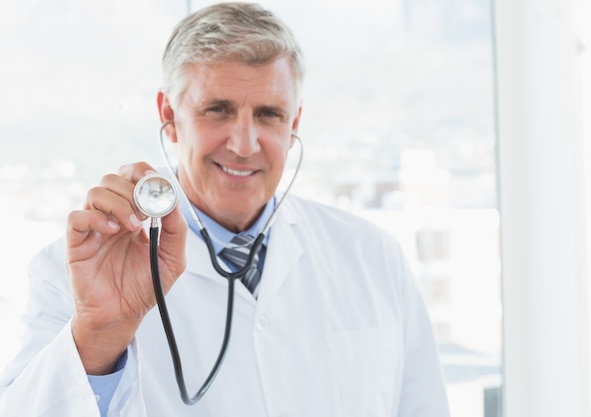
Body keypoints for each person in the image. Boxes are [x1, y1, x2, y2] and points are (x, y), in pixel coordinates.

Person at [0, 2, 450, 416]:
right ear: (169, 116)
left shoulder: (373, 257)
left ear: (295, 122)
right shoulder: (73, 275)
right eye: (218, 110)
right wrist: (100, 334)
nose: (243, 144)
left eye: (270, 114)